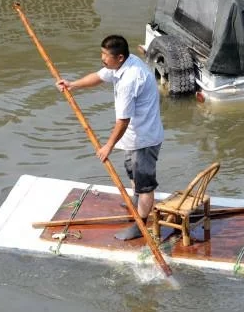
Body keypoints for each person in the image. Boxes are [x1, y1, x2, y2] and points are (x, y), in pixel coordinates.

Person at [56, 35, 164, 241]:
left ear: (120, 57)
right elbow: (99, 76)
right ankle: (136, 202)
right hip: (133, 135)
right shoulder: (122, 65)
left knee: (145, 184)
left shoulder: (130, 79)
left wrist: (108, 146)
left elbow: (123, 120)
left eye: (106, 55)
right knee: (131, 171)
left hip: (144, 138)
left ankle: (141, 224)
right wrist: (72, 85)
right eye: (102, 53)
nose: (103, 59)